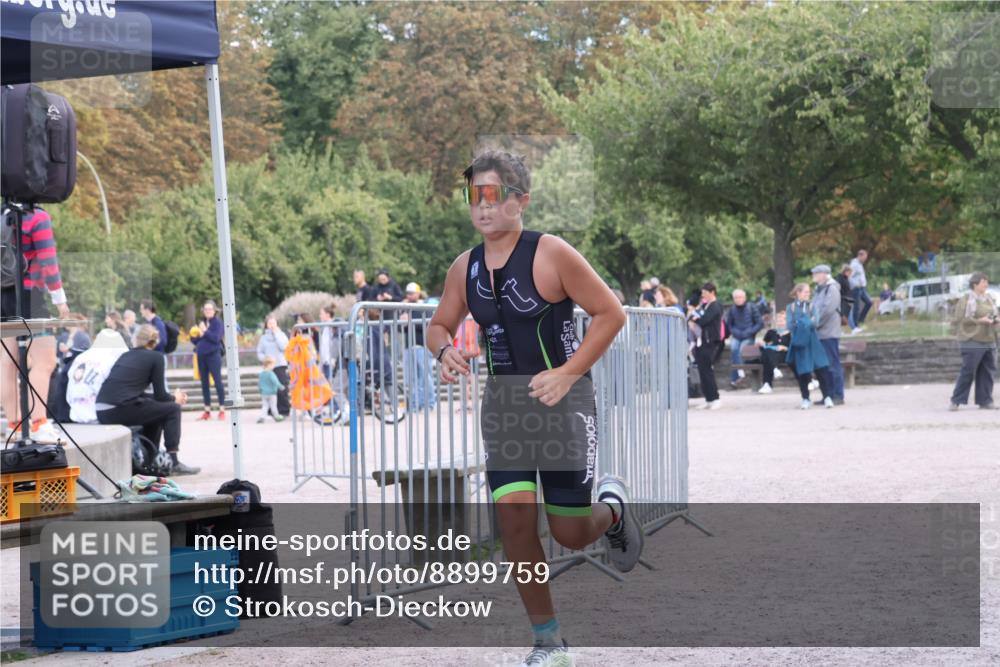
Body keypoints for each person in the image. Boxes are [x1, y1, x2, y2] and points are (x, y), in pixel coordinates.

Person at [425, 149, 641, 666]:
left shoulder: (551, 253)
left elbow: (610, 314)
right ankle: (549, 642)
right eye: (473, 195)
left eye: (492, 194)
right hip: (505, 410)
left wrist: (568, 374)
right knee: (515, 526)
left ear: (520, 201)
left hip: (566, 406)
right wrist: (444, 350)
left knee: (567, 530)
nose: (481, 206)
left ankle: (611, 512)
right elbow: (437, 324)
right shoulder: (465, 267)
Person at [1, 205, 72, 443]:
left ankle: (14, 424)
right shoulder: (36, 217)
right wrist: (59, 299)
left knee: (7, 362)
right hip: (30, 294)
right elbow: (47, 259)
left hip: (3, 296)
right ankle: (39, 423)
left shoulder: (2, 214)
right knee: (45, 360)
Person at [95, 325, 200, 474]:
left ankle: (149, 461)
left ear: (137, 340)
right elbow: (161, 395)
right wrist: (175, 399)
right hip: (119, 408)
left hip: (102, 410)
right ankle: (174, 461)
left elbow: (143, 396)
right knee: (173, 409)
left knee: (155, 410)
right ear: (155, 341)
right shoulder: (156, 357)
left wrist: (169, 399)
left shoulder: (125, 355)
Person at [950, 272, 998, 411]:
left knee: (988, 371)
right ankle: (956, 401)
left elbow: (994, 315)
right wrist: (979, 321)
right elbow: (959, 320)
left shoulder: (989, 299)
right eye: (983, 282)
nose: (986, 284)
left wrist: (996, 320)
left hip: (989, 340)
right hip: (972, 340)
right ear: (975, 284)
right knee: (968, 371)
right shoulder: (965, 300)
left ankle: (985, 401)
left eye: (987, 282)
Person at [785, 283, 834, 409]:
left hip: (813, 342)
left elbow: (816, 323)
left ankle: (827, 397)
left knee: (821, 369)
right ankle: (805, 398)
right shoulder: (790, 307)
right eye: (805, 292)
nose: (808, 294)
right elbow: (790, 326)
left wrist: (801, 322)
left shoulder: (812, 306)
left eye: (808, 292)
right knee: (803, 372)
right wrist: (807, 321)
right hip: (800, 343)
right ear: (798, 293)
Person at [810, 265, 845, 405]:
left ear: (824, 274)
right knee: (822, 366)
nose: (814, 275)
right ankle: (827, 395)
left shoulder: (832, 288)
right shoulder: (819, 290)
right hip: (819, 334)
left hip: (828, 333)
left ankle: (837, 395)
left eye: (816, 273)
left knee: (832, 364)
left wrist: (815, 323)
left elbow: (828, 310)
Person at [400, 282, 435, 412]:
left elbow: (428, 325)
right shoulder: (405, 307)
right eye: (408, 293)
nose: (409, 295)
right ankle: (414, 404)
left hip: (422, 345)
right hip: (409, 346)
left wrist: (410, 319)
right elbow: (401, 329)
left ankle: (429, 403)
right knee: (412, 378)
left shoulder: (424, 306)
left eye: (412, 293)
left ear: (418, 293)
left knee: (425, 376)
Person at [689, 282, 724, 408]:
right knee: (702, 370)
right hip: (701, 341)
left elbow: (704, 320)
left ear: (712, 292)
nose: (703, 296)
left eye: (705, 293)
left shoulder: (716, 306)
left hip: (710, 341)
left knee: (708, 370)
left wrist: (696, 319)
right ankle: (708, 398)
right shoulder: (705, 305)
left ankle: (715, 398)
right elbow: (694, 317)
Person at [190, 300, 225, 420]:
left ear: (215, 310)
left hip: (213, 355)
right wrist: (194, 335)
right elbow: (196, 341)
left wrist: (204, 331)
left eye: (210, 309)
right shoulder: (202, 322)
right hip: (201, 355)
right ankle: (207, 411)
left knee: (217, 381)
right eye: (205, 309)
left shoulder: (218, 323)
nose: (207, 311)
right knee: (204, 383)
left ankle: (222, 409)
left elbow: (216, 339)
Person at [724, 289, 763, 387]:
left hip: (748, 336)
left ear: (744, 298)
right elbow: (729, 324)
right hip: (737, 336)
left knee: (742, 349)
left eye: (740, 297)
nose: (738, 299)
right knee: (733, 348)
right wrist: (736, 332)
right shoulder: (732, 309)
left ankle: (737, 377)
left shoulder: (751, 307)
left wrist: (750, 332)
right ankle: (739, 375)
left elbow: (759, 323)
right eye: (736, 297)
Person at [317, 304, 349, 423]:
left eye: (321, 313)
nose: (320, 316)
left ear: (327, 314)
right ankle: (336, 410)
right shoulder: (324, 327)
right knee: (330, 388)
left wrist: (332, 360)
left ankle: (338, 411)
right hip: (326, 361)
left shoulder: (334, 326)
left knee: (334, 388)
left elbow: (334, 346)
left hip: (333, 362)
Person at [257, 316, 291, 417]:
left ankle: (284, 410)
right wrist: (265, 359)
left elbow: (284, 347)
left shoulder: (281, 335)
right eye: (269, 323)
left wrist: (276, 334)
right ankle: (271, 410)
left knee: (281, 388)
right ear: (266, 325)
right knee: (270, 389)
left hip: (280, 365)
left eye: (273, 323)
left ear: (277, 324)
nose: (271, 325)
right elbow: (260, 352)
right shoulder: (263, 338)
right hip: (268, 367)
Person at [757, 309, 790, 394]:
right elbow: (765, 342)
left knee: (767, 355)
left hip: (785, 355)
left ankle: (767, 384)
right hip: (772, 355)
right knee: (767, 352)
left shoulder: (791, 333)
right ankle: (775, 369)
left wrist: (784, 347)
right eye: (778, 320)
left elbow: (794, 347)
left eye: (783, 320)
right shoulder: (771, 332)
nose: (780, 322)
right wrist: (761, 343)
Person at [849, 249, 872, 333]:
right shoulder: (854, 265)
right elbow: (850, 276)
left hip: (862, 288)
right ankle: (855, 326)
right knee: (856, 307)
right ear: (860, 256)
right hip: (856, 288)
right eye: (864, 258)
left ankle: (860, 320)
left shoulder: (860, 264)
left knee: (869, 302)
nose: (865, 259)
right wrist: (855, 285)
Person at [257, 356, 285, 423]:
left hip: (264, 393)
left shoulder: (261, 374)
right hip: (272, 393)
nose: (274, 366)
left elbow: (259, 383)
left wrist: (260, 390)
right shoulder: (271, 373)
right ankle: (277, 417)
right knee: (273, 406)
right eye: (273, 365)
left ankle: (262, 417)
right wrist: (281, 387)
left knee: (265, 406)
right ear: (269, 365)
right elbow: (275, 381)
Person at [836, 265, 856, 329]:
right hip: (842, 299)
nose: (850, 274)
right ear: (845, 271)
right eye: (849, 272)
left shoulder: (845, 278)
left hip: (846, 299)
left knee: (847, 314)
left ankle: (853, 327)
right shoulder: (840, 279)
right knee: (844, 315)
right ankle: (853, 328)